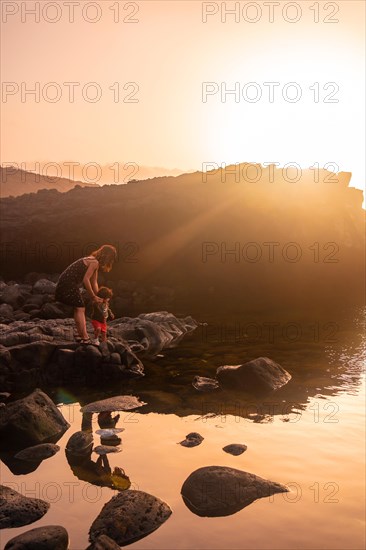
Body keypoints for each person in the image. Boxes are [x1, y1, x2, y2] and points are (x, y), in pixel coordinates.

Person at [55, 244, 117, 344]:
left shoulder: (93, 261)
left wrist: (99, 298)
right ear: (107, 256)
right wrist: (93, 296)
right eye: (111, 258)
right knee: (80, 308)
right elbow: (86, 280)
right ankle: (84, 337)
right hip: (67, 284)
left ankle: (81, 335)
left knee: (78, 307)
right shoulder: (94, 262)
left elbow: (94, 282)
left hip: (67, 282)